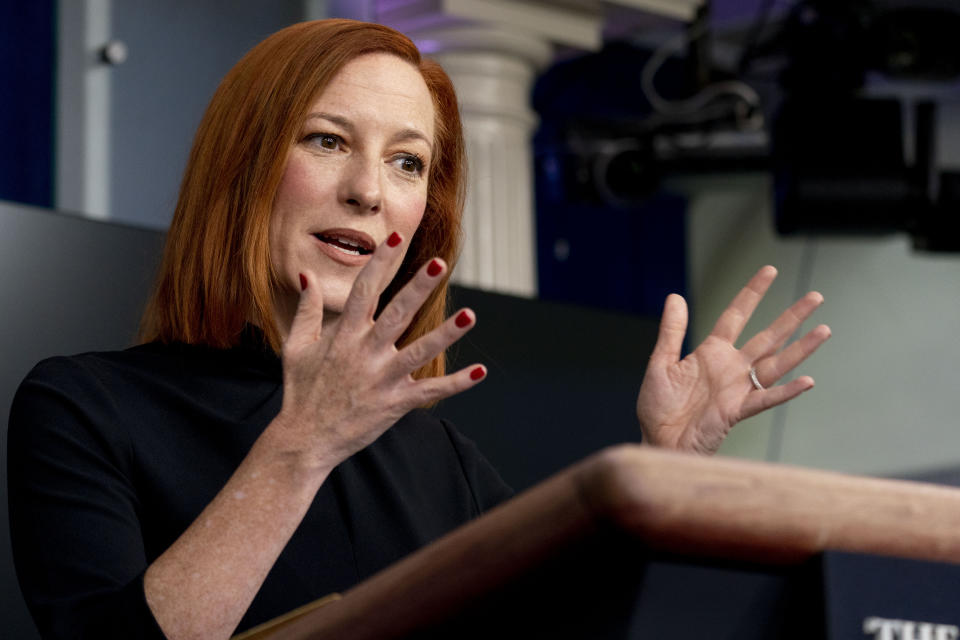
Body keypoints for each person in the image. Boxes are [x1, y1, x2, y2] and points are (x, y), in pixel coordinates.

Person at [7, 18, 830, 640]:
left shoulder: (440, 462)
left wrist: (664, 477)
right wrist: (303, 447)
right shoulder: (83, 408)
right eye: (329, 141)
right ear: (242, 169)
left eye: (408, 162)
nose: (370, 190)